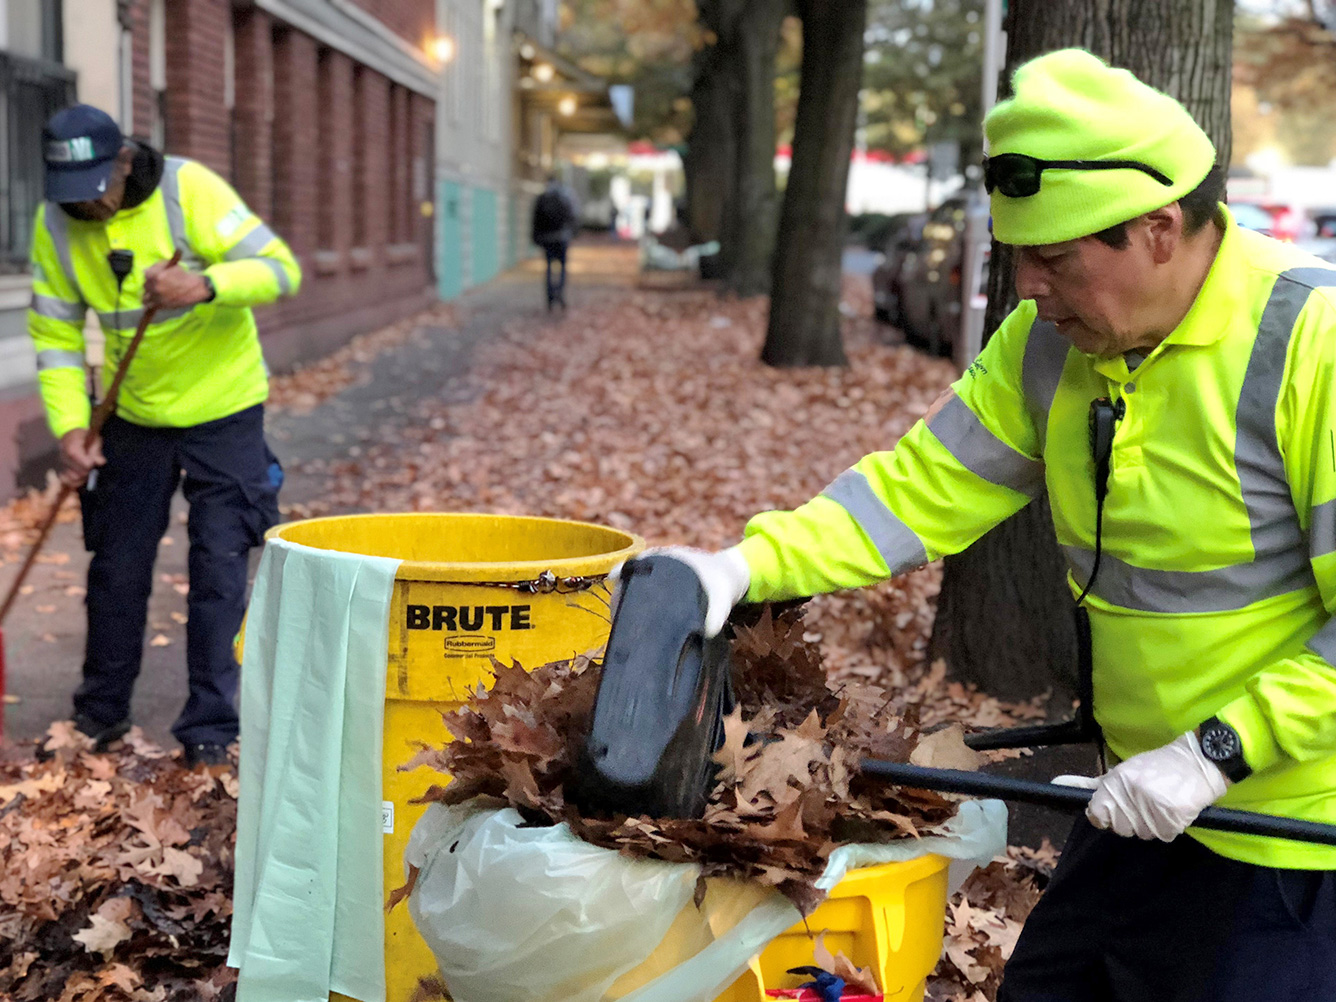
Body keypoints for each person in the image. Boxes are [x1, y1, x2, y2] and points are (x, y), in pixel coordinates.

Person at [640, 50, 1336, 998]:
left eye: (1054, 258)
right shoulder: (1050, 347)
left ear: (1160, 229)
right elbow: (918, 489)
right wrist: (743, 567)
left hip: (1290, 836)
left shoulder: (1311, 346)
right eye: (1019, 256)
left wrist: (1220, 751)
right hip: (1136, 803)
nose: (1029, 287)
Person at [28, 104, 301, 766]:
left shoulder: (190, 190)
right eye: (72, 198)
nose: (87, 210)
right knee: (117, 568)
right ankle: (100, 713)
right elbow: (56, 335)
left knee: (219, 565)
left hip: (223, 409)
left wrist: (205, 284)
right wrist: (70, 425)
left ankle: (211, 726)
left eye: (97, 191)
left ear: (123, 161)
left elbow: (280, 270)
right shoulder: (55, 226)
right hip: (134, 417)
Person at [531, 174, 577, 310]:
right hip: (561, 238)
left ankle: (550, 297)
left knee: (549, 268)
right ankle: (560, 292)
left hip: (547, 239)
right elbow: (571, 216)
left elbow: (535, 220)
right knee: (562, 267)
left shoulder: (542, 198)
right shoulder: (563, 197)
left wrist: (536, 237)